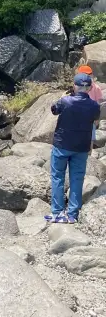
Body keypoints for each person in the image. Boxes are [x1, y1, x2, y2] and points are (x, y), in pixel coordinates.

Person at [47, 73, 101, 224]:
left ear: (75, 86)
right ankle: (72, 214)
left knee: (57, 177)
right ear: (89, 88)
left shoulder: (66, 101)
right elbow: (95, 120)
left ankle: (57, 212)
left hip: (62, 145)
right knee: (77, 179)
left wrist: (63, 96)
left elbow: (54, 109)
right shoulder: (94, 106)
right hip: (81, 147)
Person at [77, 65, 103, 149]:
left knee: (89, 136)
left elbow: (98, 103)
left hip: (88, 116)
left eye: (89, 74)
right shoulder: (96, 87)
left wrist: (97, 118)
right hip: (83, 115)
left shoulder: (95, 88)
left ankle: (89, 152)